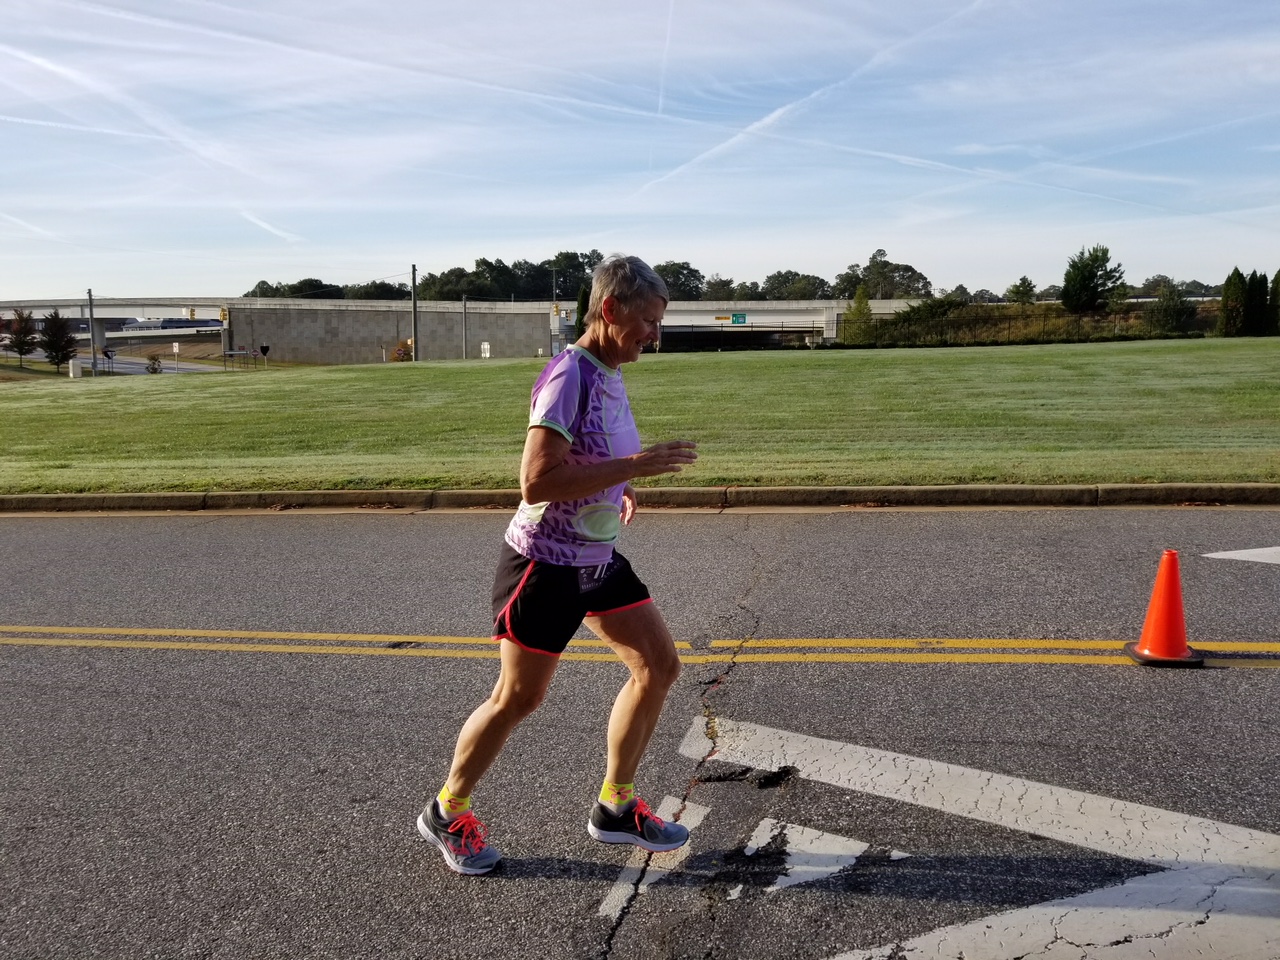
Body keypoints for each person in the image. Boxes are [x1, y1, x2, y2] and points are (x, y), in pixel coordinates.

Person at [418, 254, 699, 875]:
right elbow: (537, 480)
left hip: (594, 559)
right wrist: (631, 468)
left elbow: (592, 455)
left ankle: (616, 808)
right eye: (648, 322)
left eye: (658, 323)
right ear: (609, 310)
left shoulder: (609, 369)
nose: (655, 335)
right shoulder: (569, 374)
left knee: (658, 666)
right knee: (518, 698)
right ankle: (447, 809)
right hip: (544, 563)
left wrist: (618, 487)